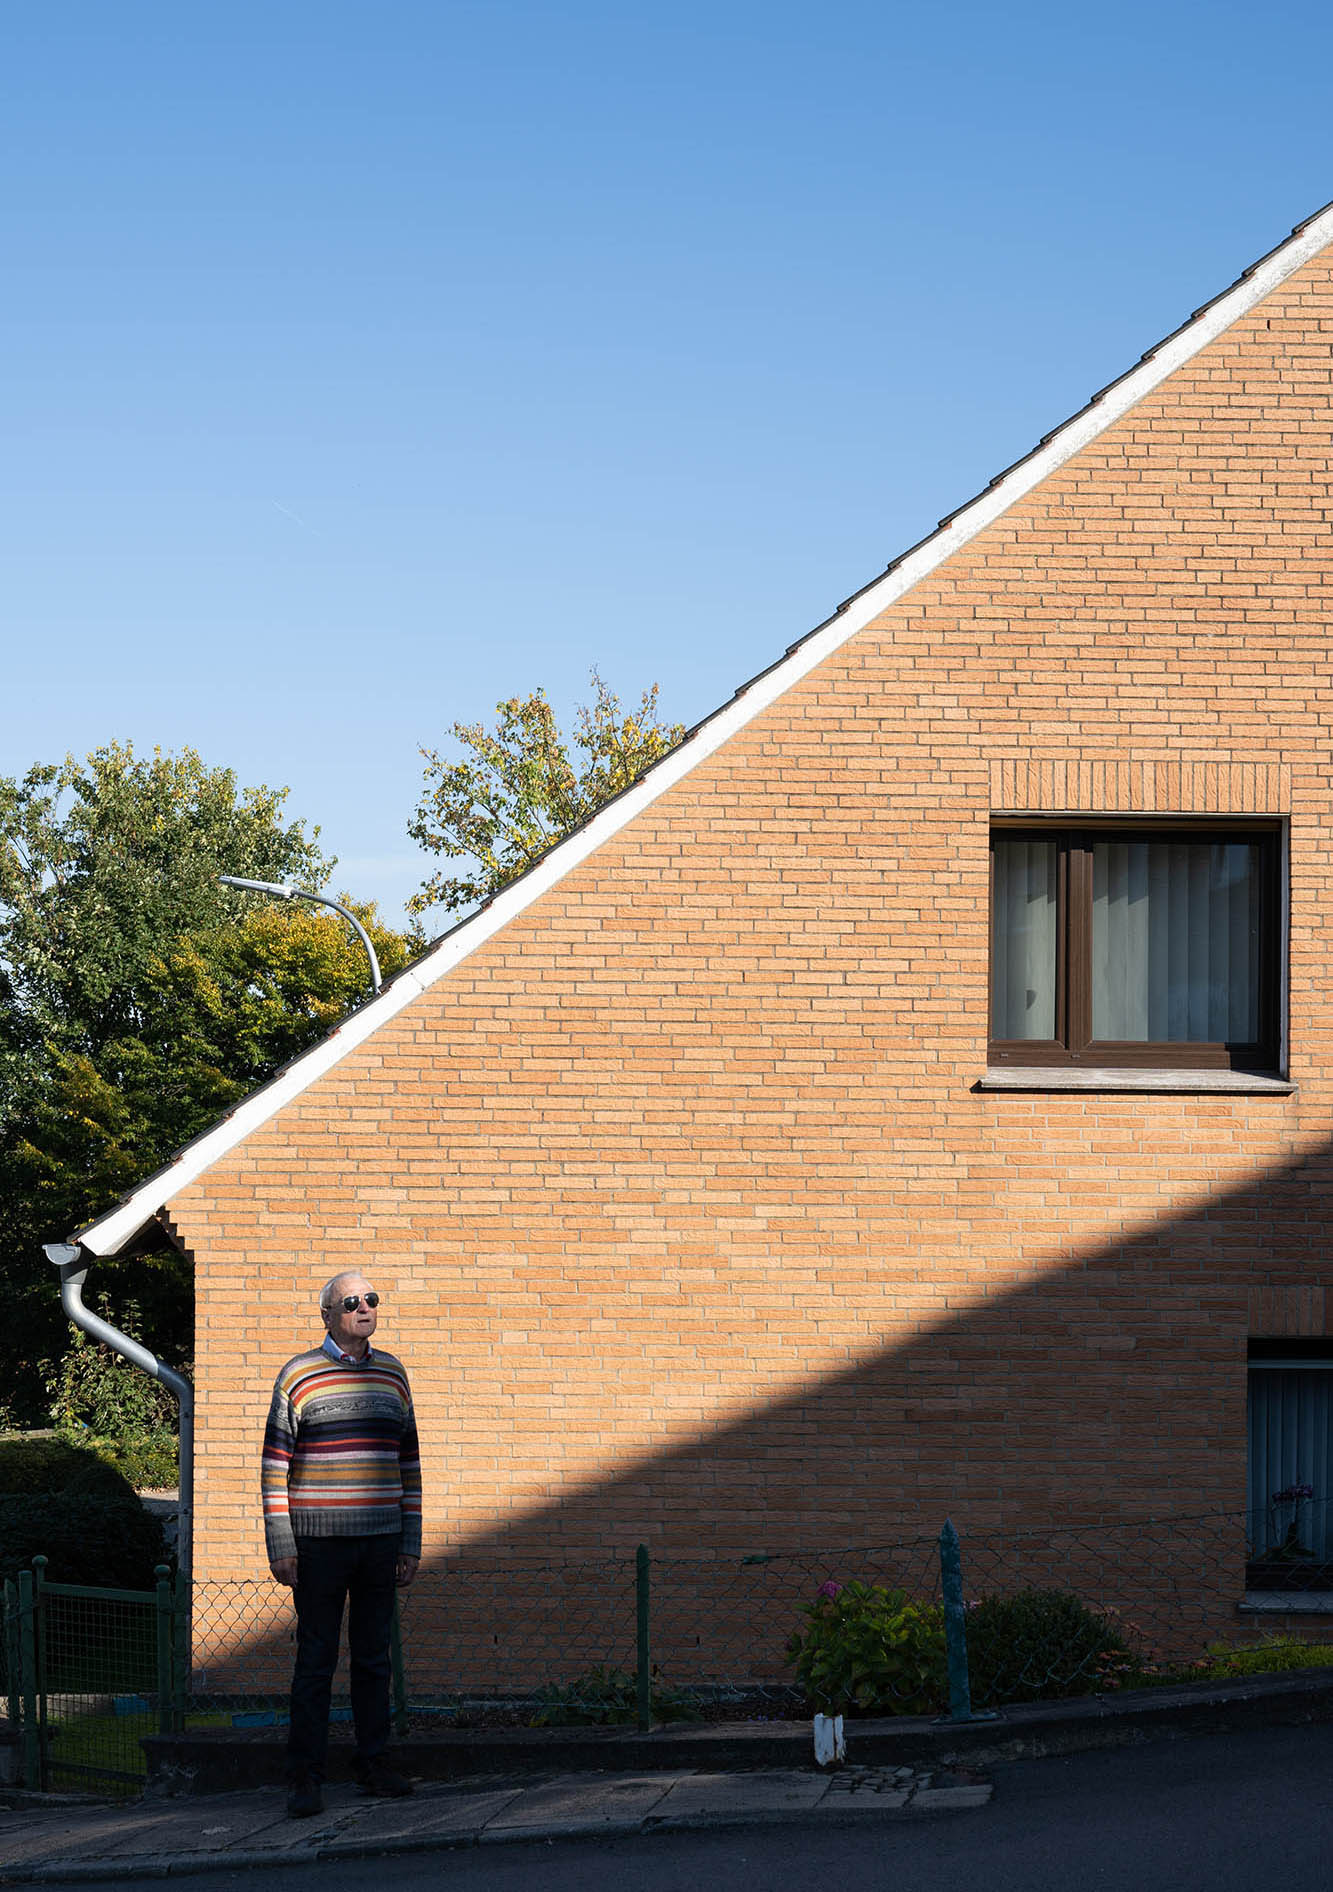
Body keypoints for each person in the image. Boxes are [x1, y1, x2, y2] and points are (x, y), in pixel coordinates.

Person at [262, 1270, 422, 1818]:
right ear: (327, 1314)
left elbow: (410, 1465)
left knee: (374, 1661)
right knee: (315, 1661)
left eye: (371, 1299)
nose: (364, 1308)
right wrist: (281, 1543)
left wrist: (411, 1541)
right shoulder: (299, 1375)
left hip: (381, 1542)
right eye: (351, 1301)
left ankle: (373, 1765)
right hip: (318, 1546)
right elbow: (274, 1467)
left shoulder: (393, 1375)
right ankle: (304, 1778)